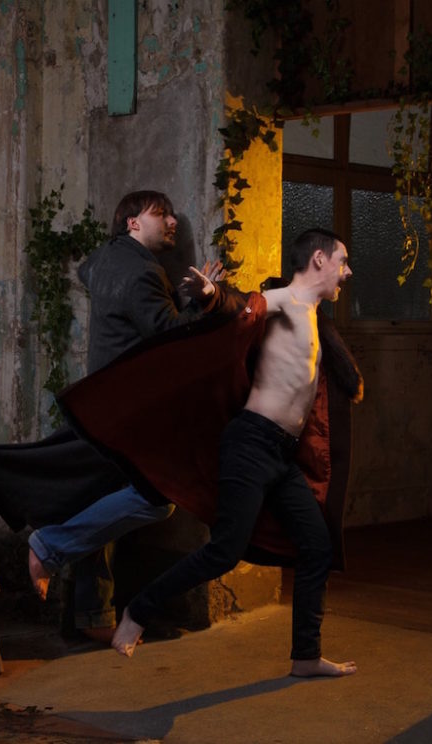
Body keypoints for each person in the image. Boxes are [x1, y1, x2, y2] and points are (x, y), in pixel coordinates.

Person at [109, 228, 358, 677]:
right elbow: (246, 306)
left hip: (282, 456)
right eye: (342, 261)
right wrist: (212, 295)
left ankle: (305, 656)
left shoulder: (316, 319)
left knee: (316, 546)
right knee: (225, 551)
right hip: (251, 444)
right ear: (319, 260)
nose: (348, 271)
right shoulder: (285, 301)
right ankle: (137, 611)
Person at [25, 190, 224, 641]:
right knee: (157, 498)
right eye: (161, 214)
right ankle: (51, 546)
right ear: (133, 223)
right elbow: (168, 336)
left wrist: (179, 294)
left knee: (99, 498)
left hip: (106, 401)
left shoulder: (105, 261)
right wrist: (206, 301)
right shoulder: (142, 272)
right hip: (131, 407)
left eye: (172, 214)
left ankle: (93, 616)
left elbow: (137, 318)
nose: (172, 222)